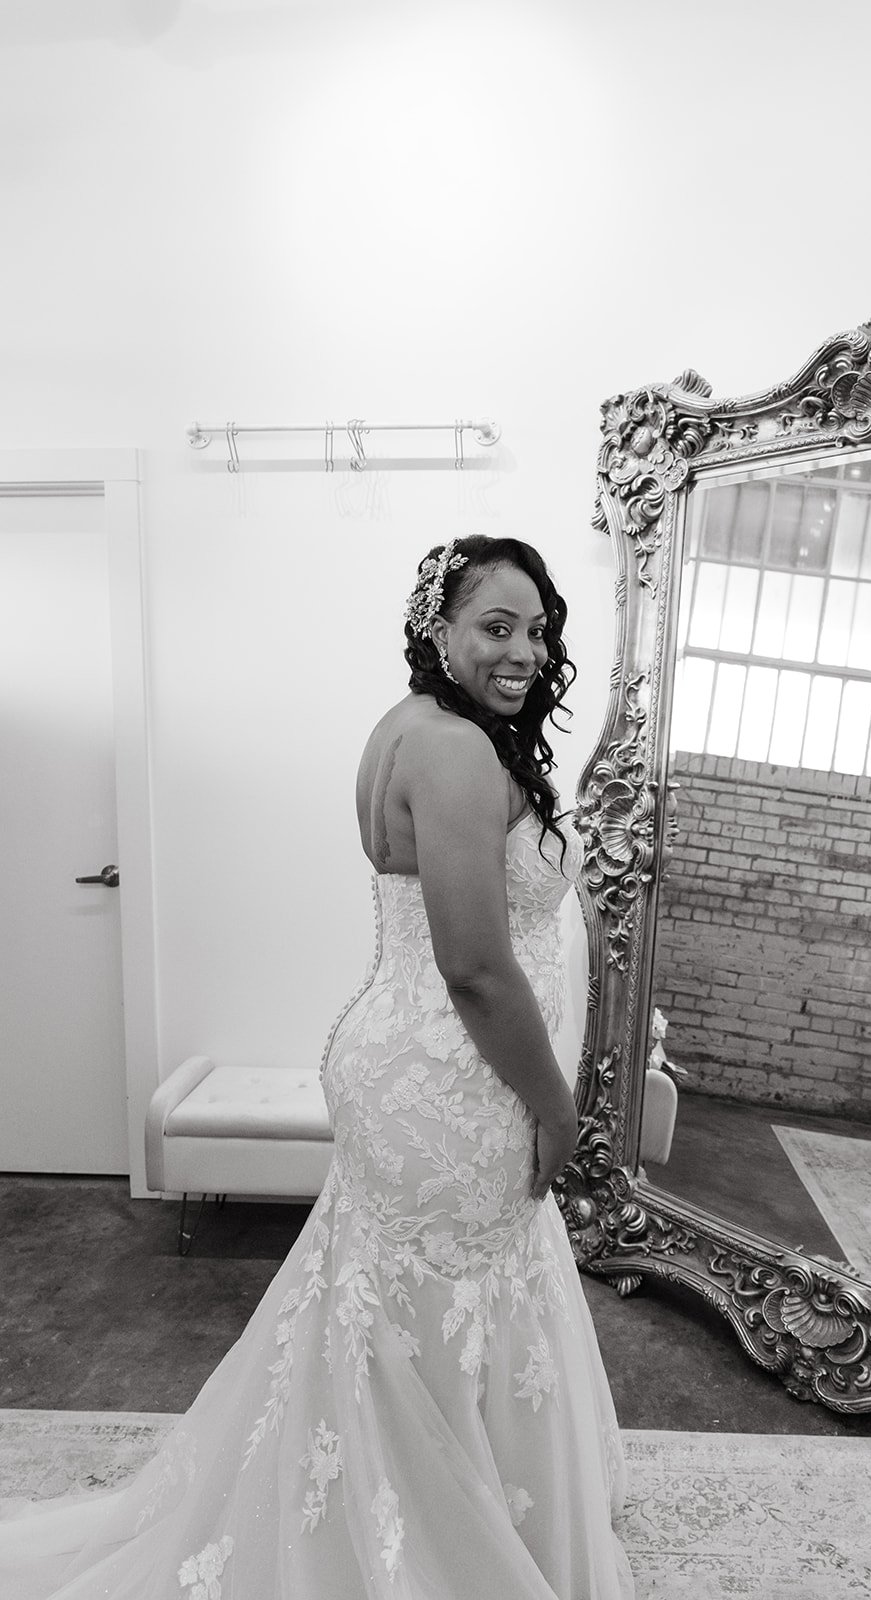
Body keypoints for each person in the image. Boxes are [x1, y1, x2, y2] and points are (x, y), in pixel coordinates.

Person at [0, 535, 635, 1599]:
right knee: (445, 1301)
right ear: (436, 629)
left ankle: (374, 1502)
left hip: (406, 1062)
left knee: (391, 1303)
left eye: (536, 628)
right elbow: (476, 967)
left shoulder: (407, 727)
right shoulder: (453, 753)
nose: (523, 649)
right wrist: (555, 1103)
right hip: (455, 1078)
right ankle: (420, 1540)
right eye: (495, 625)